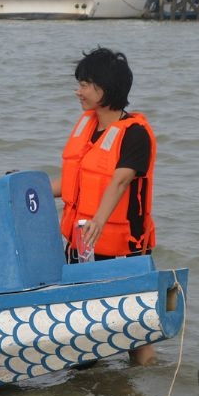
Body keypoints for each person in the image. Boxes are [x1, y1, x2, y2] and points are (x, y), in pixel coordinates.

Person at [51, 47, 157, 365]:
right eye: (79, 84)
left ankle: (146, 381)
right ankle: (91, 382)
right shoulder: (87, 127)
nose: (78, 91)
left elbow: (120, 181)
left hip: (122, 248)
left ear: (106, 88)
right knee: (82, 328)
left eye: (85, 84)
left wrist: (98, 220)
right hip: (81, 245)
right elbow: (73, 185)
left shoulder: (135, 134)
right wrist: (26, 187)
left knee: (135, 331)